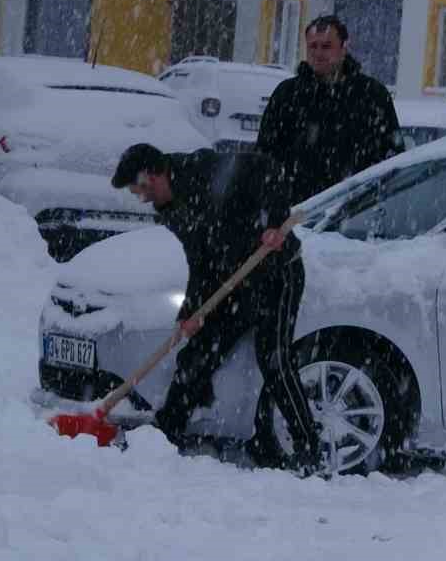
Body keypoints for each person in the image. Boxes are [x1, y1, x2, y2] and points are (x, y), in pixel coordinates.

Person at [110, 142, 322, 471]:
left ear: (153, 174)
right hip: (234, 284)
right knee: (198, 353)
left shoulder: (205, 169)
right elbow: (200, 261)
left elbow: (269, 169)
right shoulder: (173, 209)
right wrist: (191, 312)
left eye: (141, 189)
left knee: (274, 358)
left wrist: (275, 221)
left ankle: (309, 448)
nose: (142, 198)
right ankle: (166, 434)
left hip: (276, 272)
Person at [256, 14, 404, 204]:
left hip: (355, 211)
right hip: (296, 211)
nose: (318, 54)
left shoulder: (372, 95)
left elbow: (393, 157)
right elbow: (265, 156)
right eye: (313, 46)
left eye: (326, 46)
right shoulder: (287, 95)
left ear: (344, 48)